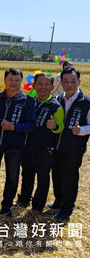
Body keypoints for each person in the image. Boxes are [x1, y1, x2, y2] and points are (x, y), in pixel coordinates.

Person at [0, 68, 36, 216]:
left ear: (21, 82)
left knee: (12, 176)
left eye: (17, 80)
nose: (13, 83)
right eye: (11, 79)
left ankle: (6, 206)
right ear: (5, 80)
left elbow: (31, 124)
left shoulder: (28, 101)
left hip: (15, 145)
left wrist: (14, 127)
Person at [16, 73, 64, 213]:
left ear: (52, 87)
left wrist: (54, 126)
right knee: (27, 173)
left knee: (43, 177)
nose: (43, 87)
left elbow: (61, 127)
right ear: (34, 86)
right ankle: (24, 199)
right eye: (40, 84)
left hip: (45, 148)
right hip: (27, 145)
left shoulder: (56, 106)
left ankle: (38, 205)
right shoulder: (29, 101)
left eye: (47, 84)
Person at [51, 67, 90, 220]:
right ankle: (58, 201)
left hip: (74, 147)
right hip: (57, 145)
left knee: (69, 177)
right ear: (61, 83)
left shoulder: (86, 102)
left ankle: (67, 208)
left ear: (78, 82)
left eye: (72, 81)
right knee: (57, 174)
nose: (69, 85)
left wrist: (81, 130)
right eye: (65, 82)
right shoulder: (59, 100)